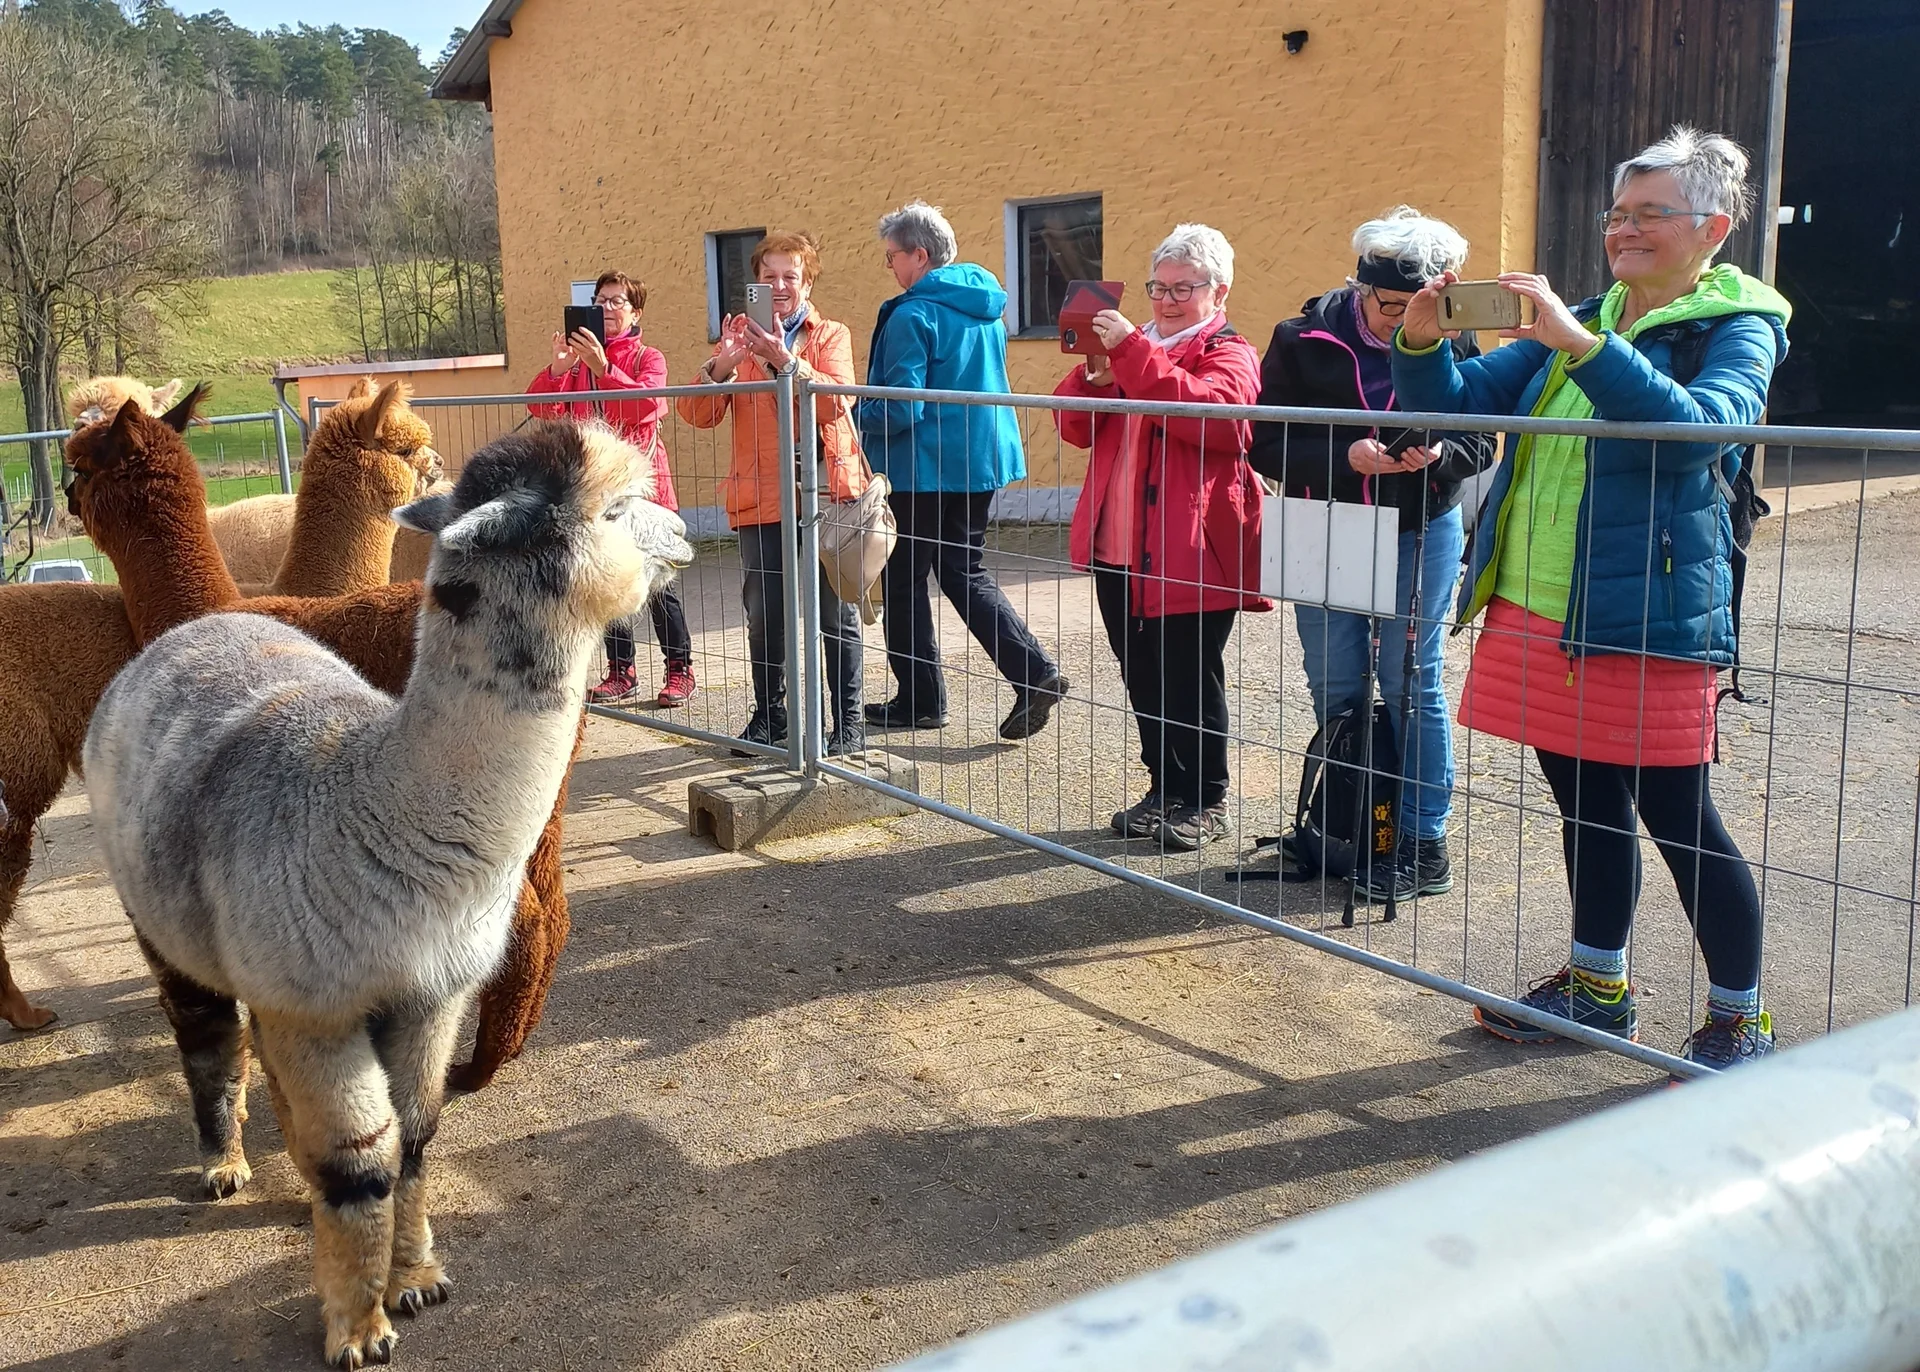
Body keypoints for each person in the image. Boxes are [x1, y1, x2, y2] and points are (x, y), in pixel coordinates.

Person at [1391, 126, 1791, 1071]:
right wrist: (1417, 341)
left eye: (1650, 213)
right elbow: (1457, 402)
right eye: (1619, 213)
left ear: (1714, 227)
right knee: (1585, 808)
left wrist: (1584, 346)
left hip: (1646, 615)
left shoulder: (1737, 323)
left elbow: (1708, 430)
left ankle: (1743, 1020)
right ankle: (1597, 985)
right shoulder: (1583, 315)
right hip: (1539, 605)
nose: (1624, 230)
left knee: (1682, 820)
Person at [1248, 208, 1497, 900]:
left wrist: (1445, 456)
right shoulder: (1299, 337)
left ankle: (1422, 842)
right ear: (1360, 286)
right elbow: (1263, 442)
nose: (1402, 322)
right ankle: (1352, 823)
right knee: (1335, 685)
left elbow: (1485, 435)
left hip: (1419, 524)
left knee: (1412, 684)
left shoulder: (1453, 332)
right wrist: (1346, 457)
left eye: (1422, 308)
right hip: (1320, 520)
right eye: (1390, 306)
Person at [1054, 224, 1269, 851]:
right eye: (1159, 287)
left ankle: (1205, 797)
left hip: (1190, 547)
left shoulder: (1230, 350)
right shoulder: (1134, 347)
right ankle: (1163, 788)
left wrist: (1130, 356)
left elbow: (1219, 424)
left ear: (1218, 291)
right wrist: (1091, 378)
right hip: (1118, 543)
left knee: (1189, 673)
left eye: (1184, 288)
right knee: (1140, 671)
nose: (1168, 299)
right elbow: (1074, 430)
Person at [855, 201, 1069, 740]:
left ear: (918, 255)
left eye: (891, 257)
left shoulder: (913, 314)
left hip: (923, 467)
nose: (890, 268)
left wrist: (850, 411)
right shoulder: (984, 305)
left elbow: (901, 406)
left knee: (904, 581)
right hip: (980, 459)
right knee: (962, 571)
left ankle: (923, 699)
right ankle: (1032, 670)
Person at [679, 232, 870, 756]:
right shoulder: (738, 341)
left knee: (836, 615)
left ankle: (848, 726)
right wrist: (723, 361)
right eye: (769, 277)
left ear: (807, 282)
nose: (780, 286)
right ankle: (770, 718)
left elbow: (836, 405)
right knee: (765, 616)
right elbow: (696, 414)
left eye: (791, 276)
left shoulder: (830, 334)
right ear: (756, 283)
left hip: (828, 495)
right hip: (760, 495)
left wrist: (786, 361)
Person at [527, 269, 695, 707]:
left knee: (660, 586)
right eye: (600, 301)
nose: (607, 309)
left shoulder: (648, 358)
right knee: (610, 581)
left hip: (645, 493)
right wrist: (559, 370)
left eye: (617, 302)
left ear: (635, 312)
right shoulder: (579, 366)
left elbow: (647, 406)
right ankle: (622, 671)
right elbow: (543, 411)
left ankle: (680, 670)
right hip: (597, 493)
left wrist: (605, 368)